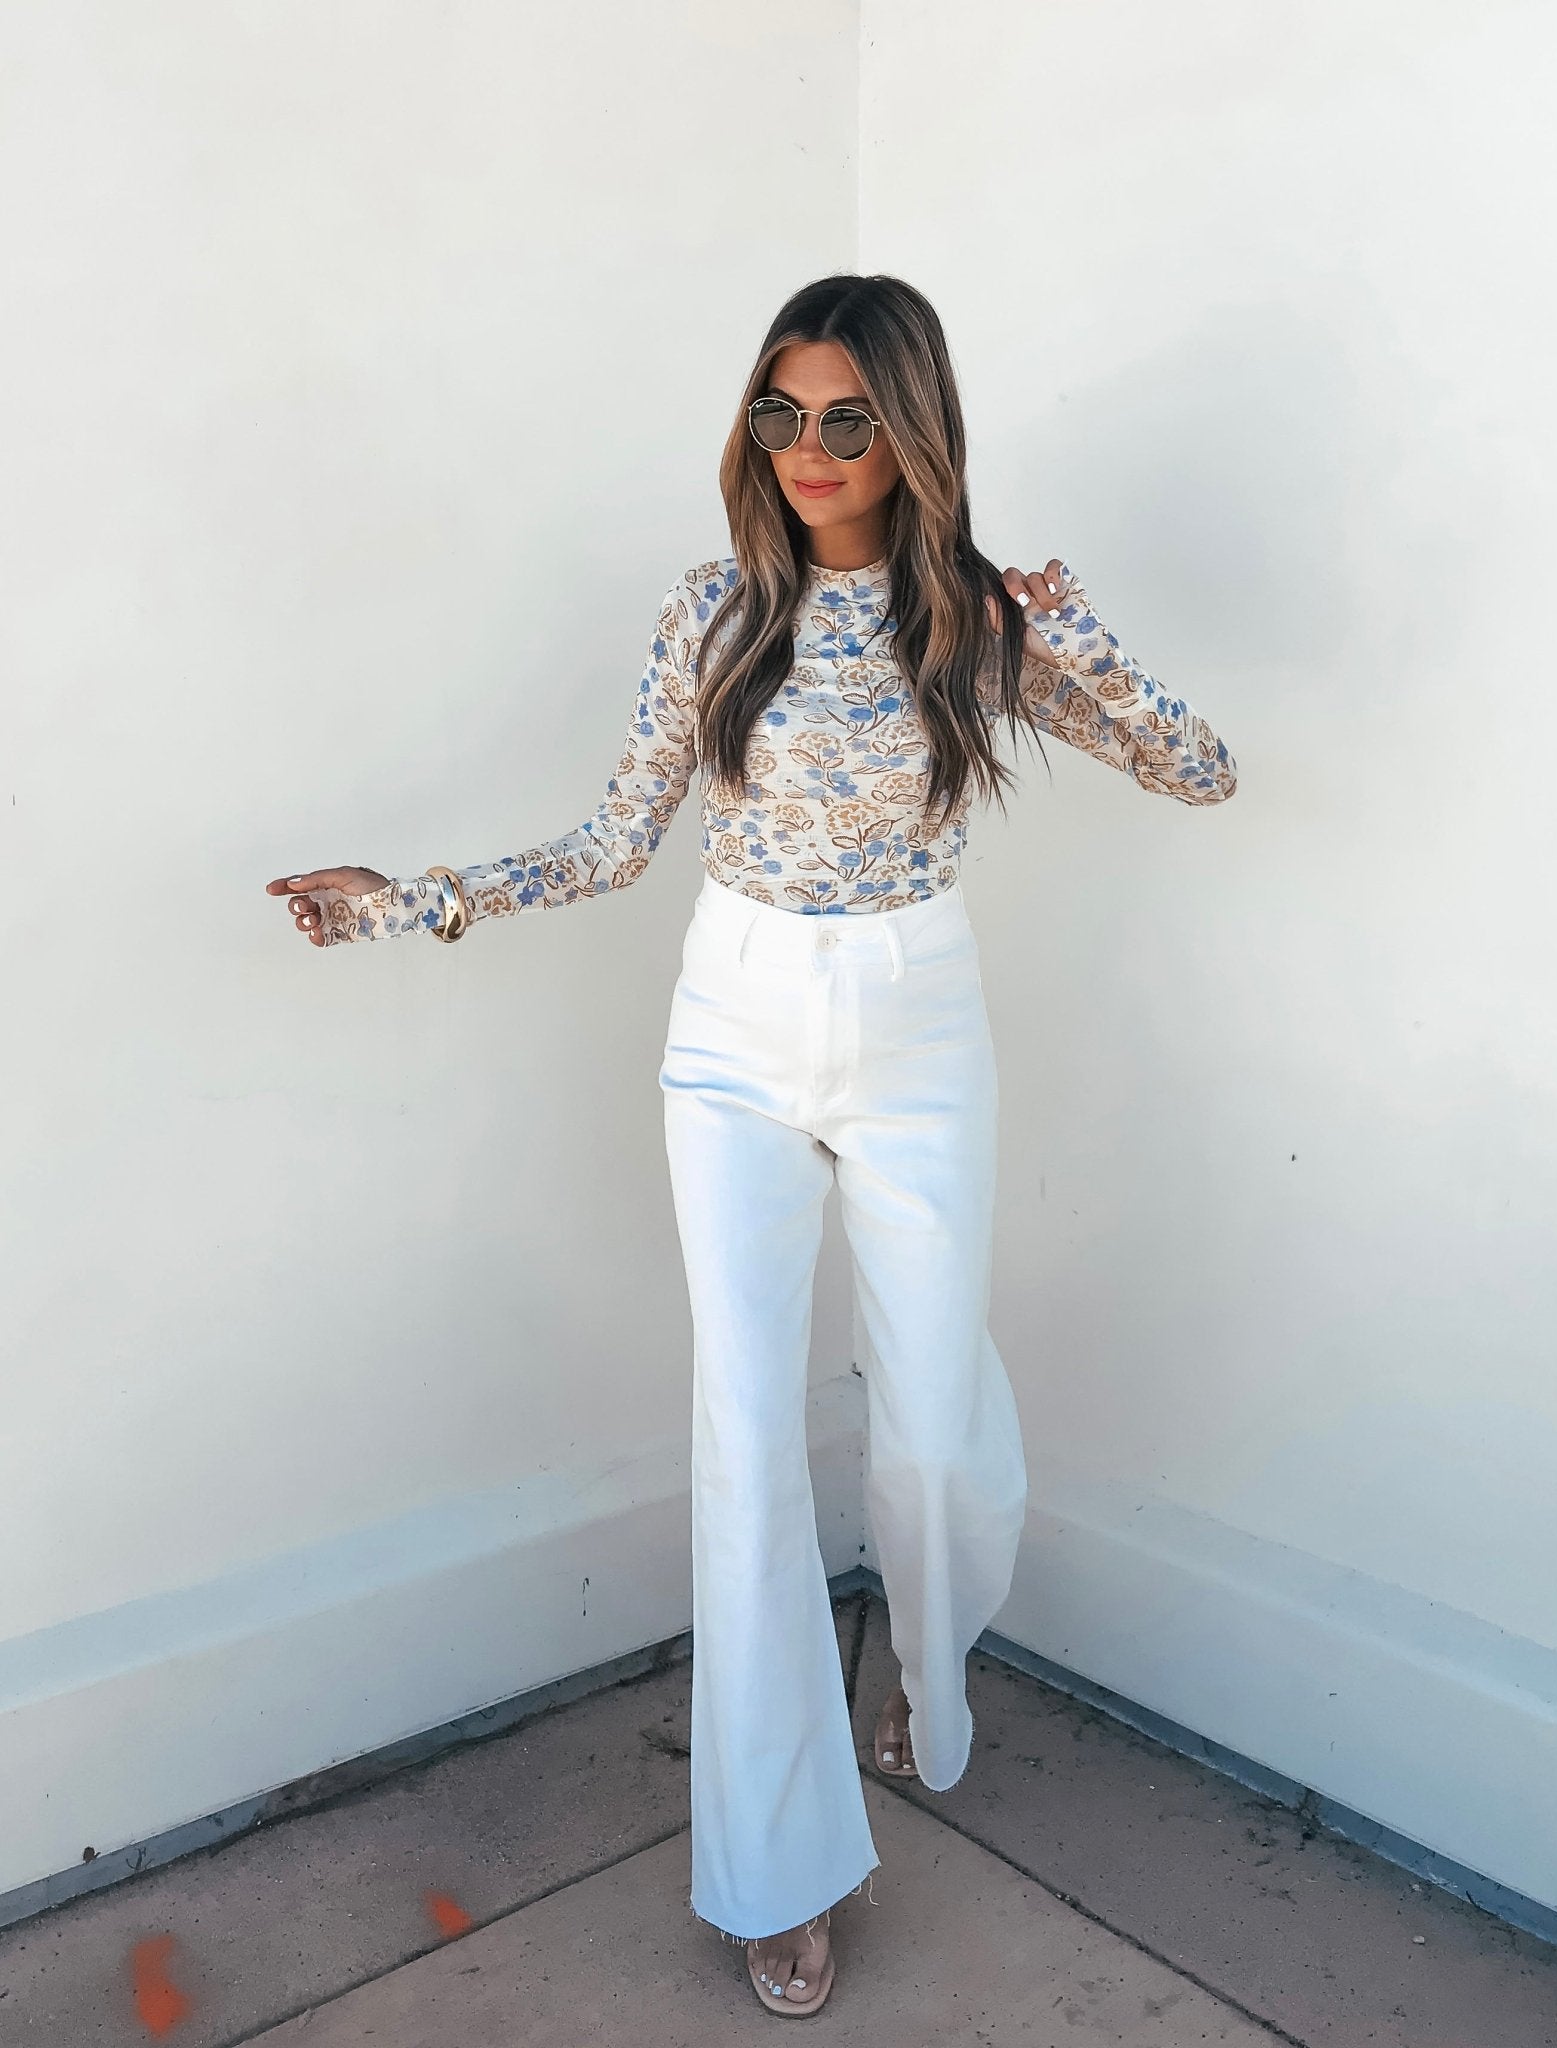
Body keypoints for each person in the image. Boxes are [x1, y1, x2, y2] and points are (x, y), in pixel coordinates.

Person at [266, 272, 1237, 2017]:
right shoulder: (711, 613)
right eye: (780, 412)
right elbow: (613, 838)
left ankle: (927, 1676)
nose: (806, 447)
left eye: (847, 416)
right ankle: (772, 1865)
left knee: (935, 1433)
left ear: (913, 431)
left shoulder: (978, 625)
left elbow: (1201, 772)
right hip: (731, 1028)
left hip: (919, 1024)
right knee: (745, 1437)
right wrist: (409, 903)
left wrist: (1072, 633)